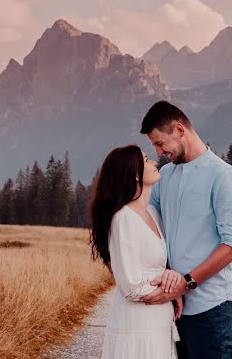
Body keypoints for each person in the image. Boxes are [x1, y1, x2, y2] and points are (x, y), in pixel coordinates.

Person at [139, 100, 232, 359]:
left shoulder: (223, 176)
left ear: (179, 130)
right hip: (173, 307)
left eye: (159, 143)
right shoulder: (164, 177)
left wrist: (186, 283)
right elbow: (151, 226)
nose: (158, 151)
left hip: (212, 307)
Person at [89, 144, 184, 359]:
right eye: (145, 159)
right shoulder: (123, 218)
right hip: (137, 324)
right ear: (135, 175)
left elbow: (153, 264)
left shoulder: (152, 213)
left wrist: (174, 289)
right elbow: (131, 285)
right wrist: (171, 285)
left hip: (158, 320)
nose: (153, 162)